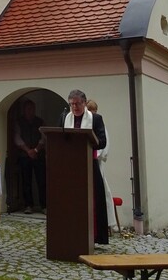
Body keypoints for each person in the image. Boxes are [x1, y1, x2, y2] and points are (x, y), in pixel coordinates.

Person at [63, 89, 109, 244]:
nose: (74, 107)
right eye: (72, 104)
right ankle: (71, 231)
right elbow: (58, 139)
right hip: (70, 165)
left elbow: (102, 141)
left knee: (93, 200)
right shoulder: (64, 118)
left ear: (84, 103)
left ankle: (95, 235)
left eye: (77, 103)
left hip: (89, 164)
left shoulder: (95, 119)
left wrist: (90, 138)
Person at [87, 99, 117, 232]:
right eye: (90, 111)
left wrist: (97, 155)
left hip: (96, 162)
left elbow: (104, 143)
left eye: (94, 111)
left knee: (103, 191)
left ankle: (108, 223)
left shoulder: (99, 124)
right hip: (86, 162)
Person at [14, 99, 46, 214]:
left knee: (41, 180)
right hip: (24, 156)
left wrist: (36, 150)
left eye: (32, 109)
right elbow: (17, 138)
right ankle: (28, 205)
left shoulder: (40, 122)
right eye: (28, 109)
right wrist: (28, 151)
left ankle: (44, 205)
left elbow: (44, 138)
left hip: (39, 155)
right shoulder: (19, 122)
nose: (30, 111)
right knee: (26, 181)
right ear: (24, 110)